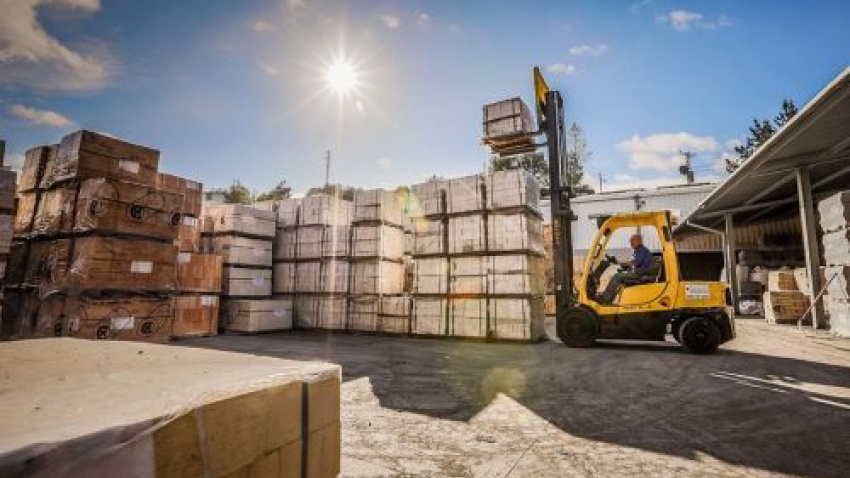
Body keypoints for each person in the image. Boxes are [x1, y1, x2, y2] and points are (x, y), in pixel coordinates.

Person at [601, 234, 656, 304]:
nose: (631, 243)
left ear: (638, 241)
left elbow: (634, 263)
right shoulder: (640, 250)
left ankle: (606, 299)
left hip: (640, 274)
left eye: (632, 241)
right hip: (639, 272)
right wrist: (619, 263)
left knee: (617, 276)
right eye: (630, 241)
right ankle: (609, 297)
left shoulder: (642, 251)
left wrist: (620, 263)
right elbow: (633, 262)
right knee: (619, 274)